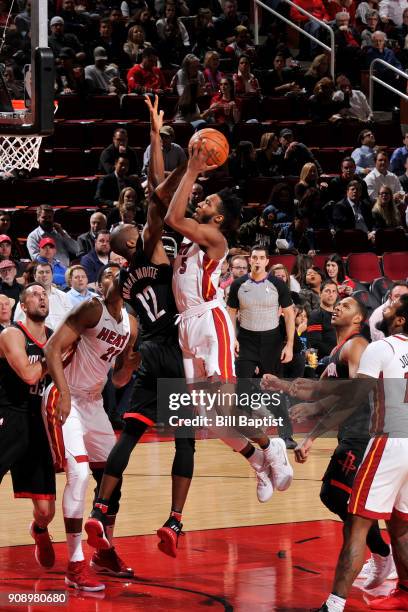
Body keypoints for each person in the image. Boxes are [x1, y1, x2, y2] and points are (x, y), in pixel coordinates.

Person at [85, 96, 197, 559]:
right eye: (128, 230)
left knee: (129, 434)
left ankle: (100, 507)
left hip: (148, 349)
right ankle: (174, 520)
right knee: (186, 439)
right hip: (174, 347)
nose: (132, 227)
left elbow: (153, 191)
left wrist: (154, 134)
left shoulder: (127, 279)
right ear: (133, 242)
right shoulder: (150, 251)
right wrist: (175, 155)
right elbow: (155, 198)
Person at [164, 135, 294, 505]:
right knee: (210, 418)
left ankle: (272, 445)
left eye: (207, 201)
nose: (201, 200)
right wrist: (165, 149)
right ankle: (257, 462)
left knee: (225, 403)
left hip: (210, 321)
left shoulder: (215, 239)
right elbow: (167, 207)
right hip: (187, 327)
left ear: (218, 217)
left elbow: (174, 216)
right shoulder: (192, 240)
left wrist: (191, 168)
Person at [43, 263, 137, 591]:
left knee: (112, 475)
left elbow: (119, 378)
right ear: (99, 285)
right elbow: (51, 347)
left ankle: (104, 551)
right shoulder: (91, 308)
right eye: (106, 275)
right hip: (63, 392)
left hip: (93, 402)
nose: (111, 279)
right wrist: (65, 394)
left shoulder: (130, 325)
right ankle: (74, 562)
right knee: (79, 475)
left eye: (117, 275)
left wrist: (130, 368)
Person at [313, 294, 408, 611]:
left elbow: (355, 399)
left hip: (388, 441)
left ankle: (334, 605)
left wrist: (313, 434)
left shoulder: (382, 348)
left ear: (400, 321)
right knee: (401, 524)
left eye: (392, 308)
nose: (385, 309)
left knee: (357, 524)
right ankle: (405, 589)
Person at [0, 283, 56, 570]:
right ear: (23, 306)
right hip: (7, 415)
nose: (41, 296)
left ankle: (39, 530)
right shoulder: (12, 334)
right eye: (34, 294)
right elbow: (29, 375)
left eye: (44, 294)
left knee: (46, 510)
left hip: (38, 420)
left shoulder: (55, 337)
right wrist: (55, 357)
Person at [227, 245, 296, 448]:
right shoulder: (239, 284)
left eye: (261, 258)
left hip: (272, 341)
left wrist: (289, 345)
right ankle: (245, 434)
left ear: (267, 261)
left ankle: (286, 435)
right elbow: (231, 312)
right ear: (250, 260)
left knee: (274, 389)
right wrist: (233, 338)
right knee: (243, 388)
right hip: (247, 340)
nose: (257, 261)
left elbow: (290, 314)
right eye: (254, 257)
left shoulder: (278, 284)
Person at [14, 263, 72, 331]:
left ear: (52, 275)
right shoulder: (25, 299)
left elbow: (72, 321)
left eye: (47, 272)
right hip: (38, 339)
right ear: (35, 276)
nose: (44, 275)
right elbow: (19, 326)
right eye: (41, 272)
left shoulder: (64, 296)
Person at [306, 280, 338, 359]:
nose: (331, 294)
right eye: (327, 291)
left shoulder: (339, 314)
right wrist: (337, 352)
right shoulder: (316, 315)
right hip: (325, 358)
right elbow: (315, 343)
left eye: (334, 291)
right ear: (320, 294)